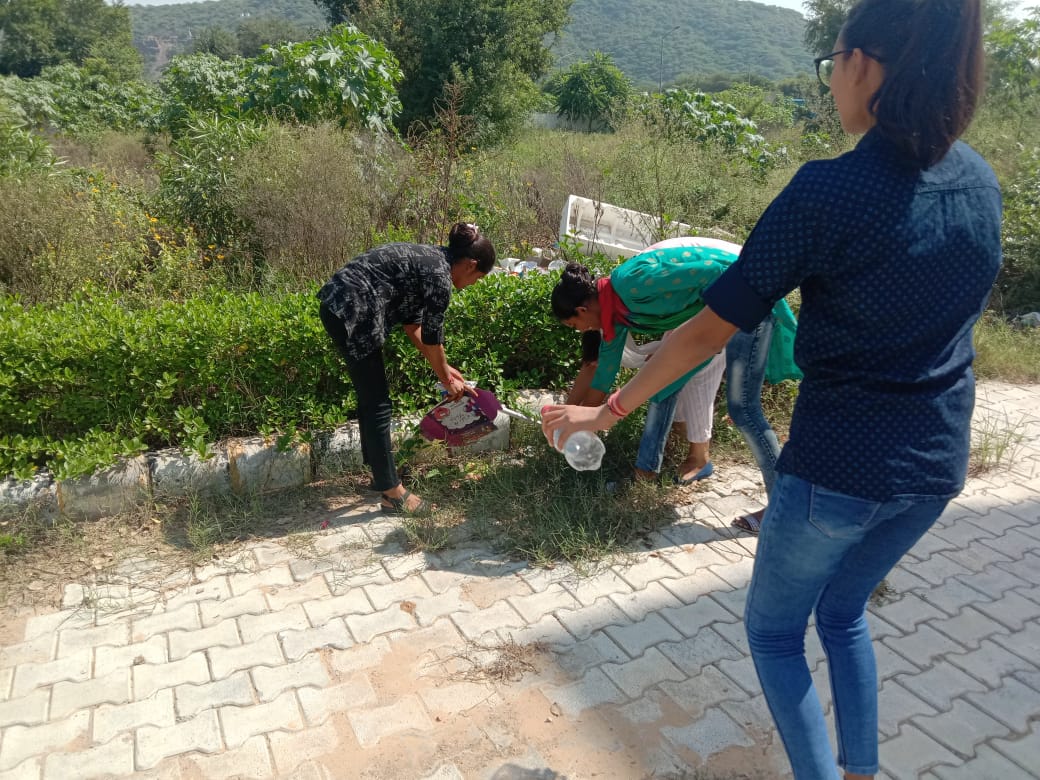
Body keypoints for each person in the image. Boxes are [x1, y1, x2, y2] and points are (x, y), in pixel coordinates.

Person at [542, 0, 1001, 776]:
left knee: (776, 633)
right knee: (844, 614)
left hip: (839, 470)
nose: (832, 85)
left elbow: (702, 335)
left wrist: (603, 414)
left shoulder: (828, 192)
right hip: (934, 469)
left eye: (832, 66)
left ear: (863, 66)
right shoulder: (979, 182)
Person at [554, 240, 798, 486]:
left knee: (742, 408)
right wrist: (579, 422)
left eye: (574, 325)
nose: (581, 331)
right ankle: (646, 473)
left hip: (744, 298)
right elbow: (603, 376)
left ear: (582, 310)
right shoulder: (613, 316)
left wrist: (707, 332)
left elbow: (714, 271)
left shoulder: (630, 284)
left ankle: (782, 493)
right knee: (662, 386)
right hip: (711, 316)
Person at [318, 223, 496, 515]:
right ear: (471, 265)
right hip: (352, 308)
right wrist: (446, 380)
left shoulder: (431, 262)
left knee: (371, 399)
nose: (474, 283)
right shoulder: (440, 277)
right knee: (377, 403)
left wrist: (446, 370)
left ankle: (380, 472)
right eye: (478, 277)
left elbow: (414, 326)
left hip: (338, 305)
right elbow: (433, 336)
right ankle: (392, 493)